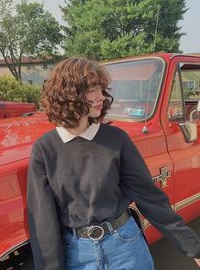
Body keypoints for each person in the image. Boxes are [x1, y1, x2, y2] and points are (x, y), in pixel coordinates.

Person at [27, 57, 200, 270]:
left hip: (126, 248)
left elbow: (150, 198)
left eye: (101, 89)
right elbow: (43, 222)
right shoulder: (44, 149)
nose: (101, 97)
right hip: (77, 255)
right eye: (92, 90)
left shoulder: (116, 140)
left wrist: (193, 247)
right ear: (68, 94)